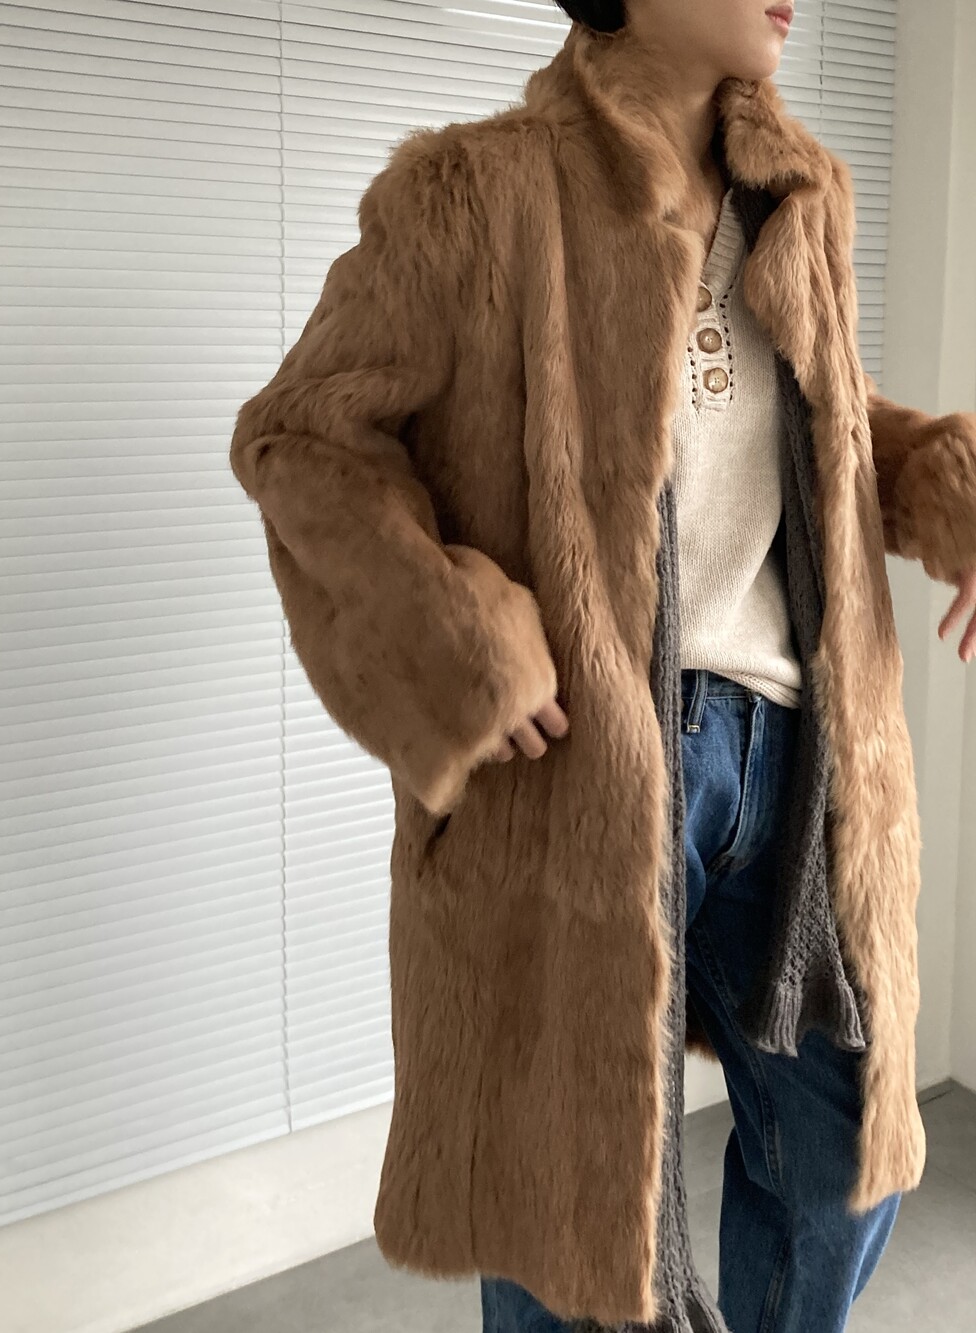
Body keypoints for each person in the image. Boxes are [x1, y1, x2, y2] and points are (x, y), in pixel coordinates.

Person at [229, 2, 976, 1331]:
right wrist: (461, 630)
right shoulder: (475, 195)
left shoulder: (799, 198)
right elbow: (301, 439)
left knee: (846, 1155)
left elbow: (823, 425)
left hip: (797, 759)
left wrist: (950, 490)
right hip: (582, 770)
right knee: (566, 1203)